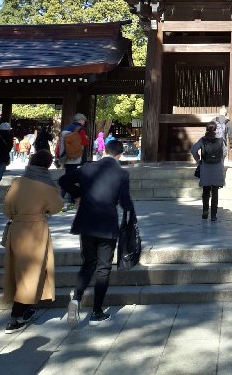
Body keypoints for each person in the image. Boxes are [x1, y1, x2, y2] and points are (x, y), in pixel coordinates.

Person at [66, 138, 134, 327]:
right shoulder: (121, 173)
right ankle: (96, 312)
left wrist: (77, 194)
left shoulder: (87, 168)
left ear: (105, 151)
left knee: (88, 263)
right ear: (119, 155)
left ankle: (76, 299)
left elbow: (64, 180)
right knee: (103, 268)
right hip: (107, 224)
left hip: (86, 222)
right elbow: (125, 203)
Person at [2, 150, 63, 333]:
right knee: (32, 272)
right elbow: (56, 207)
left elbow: (6, 208)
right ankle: (15, 317)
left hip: (17, 229)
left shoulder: (17, 183)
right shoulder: (47, 185)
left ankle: (25, 309)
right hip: (36, 231)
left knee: (19, 272)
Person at [191, 121, 225, 221]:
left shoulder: (203, 140)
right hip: (217, 167)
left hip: (205, 167)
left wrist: (198, 159)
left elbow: (193, 150)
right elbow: (225, 152)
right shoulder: (221, 140)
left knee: (206, 191)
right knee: (215, 192)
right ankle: (213, 215)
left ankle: (205, 211)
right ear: (215, 129)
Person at [59, 112, 89, 208]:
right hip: (75, 157)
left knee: (68, 177)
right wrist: (86, 138)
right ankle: (67, 199)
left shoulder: (66, 129)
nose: (84, 122)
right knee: (69, 179)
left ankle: (69, 199)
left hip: (65, 155)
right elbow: (84, 142)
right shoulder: (80, 130)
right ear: (80, 120)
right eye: (83, 120)